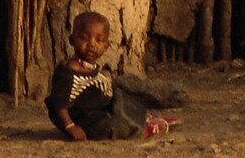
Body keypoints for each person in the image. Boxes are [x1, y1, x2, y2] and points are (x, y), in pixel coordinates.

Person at [45, 11, 174, 141]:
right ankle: (143, 130)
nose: (92, 44)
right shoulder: (70, 73)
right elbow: (58, 104)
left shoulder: (89, 66)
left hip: (101, 107)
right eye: (84, 38)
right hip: (86, 119)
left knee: (121, 97)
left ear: (106, 46)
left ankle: (146, 119)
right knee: (109, 123)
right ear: (72, 40)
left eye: (99, 40)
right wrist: (71, 127)